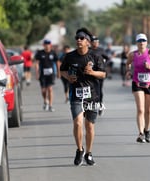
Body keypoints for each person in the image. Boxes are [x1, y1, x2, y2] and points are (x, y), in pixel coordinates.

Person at [60, 27, 106, 166]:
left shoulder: (95, 56)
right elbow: (62, 71)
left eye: (81, 38)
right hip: (76, 94)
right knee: (78, 123)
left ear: (87, 42)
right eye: (77, 38)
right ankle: (79, 149)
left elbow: (103, 74)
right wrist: (68, 77)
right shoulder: (70, 56)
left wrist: (92, 72)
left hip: (93, 95)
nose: (78, 40)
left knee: (89, 126)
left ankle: (89, 153)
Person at [125, 33, 150, 143]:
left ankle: (147, 130)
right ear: (136, 43)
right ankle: (140, 133)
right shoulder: (132, 54)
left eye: (143, 40)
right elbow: (127, 64)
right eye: (139, 40)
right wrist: (128, 71)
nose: (141, 42)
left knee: (148, 110)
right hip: (137, 83)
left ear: (146, 42)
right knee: (141, 109)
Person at [35, 39, 59, 112]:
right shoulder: (40, 53)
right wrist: (37, 73)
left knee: (50, 89)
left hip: (51, 74)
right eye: (46, 44)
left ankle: (51, 105)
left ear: (50, 45)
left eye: (48, 44)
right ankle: (45, 100)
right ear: (44, 45)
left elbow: (57, 62)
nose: (47, 46)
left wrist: (58, 72)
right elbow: (36, 63)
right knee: (43, 90)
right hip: (43, 74)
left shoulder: (53, 53)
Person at [90, 35, 108, 116]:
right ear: (91, 43)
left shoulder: (101, 50)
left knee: (99, 90)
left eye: (96, 42)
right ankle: (91, 105)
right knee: (91, 90)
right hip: (90, 74)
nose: (95, 43)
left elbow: (108, 58)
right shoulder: (88, 50)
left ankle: (100, 105)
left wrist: (103, 65)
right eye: (93, 42)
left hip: (100, 73)